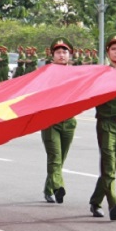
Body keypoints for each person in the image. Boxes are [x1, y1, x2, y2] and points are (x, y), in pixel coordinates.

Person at [89, 32, 116, 221]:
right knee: (108, 163)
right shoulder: (102, 74)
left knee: (111, 166)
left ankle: (95, 201)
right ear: (108, 52)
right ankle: (113, 202)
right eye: (113, 49)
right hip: (106, 123)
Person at [42, 37, 76, 204]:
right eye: (58, 52)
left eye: (65, 52)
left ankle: (48, 188)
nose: (61, 55)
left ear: (70, 55)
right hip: (50, 122)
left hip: (69, 122)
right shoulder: (46, 73)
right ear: (52, 55)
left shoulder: (76, 74)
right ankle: (58, 187)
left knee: (61, 158)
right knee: (55, 157)